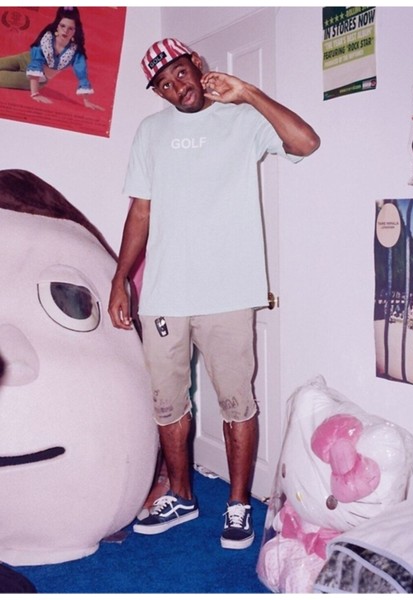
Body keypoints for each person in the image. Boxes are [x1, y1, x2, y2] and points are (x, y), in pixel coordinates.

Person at [108, 37, 320, 550]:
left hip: (228, 292)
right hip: (165, 295)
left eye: (180, 73)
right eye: (163, 84)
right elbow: (141, 210)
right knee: (167, 404)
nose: (175, 87)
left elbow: (306, 142)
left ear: (197, 64)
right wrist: (120, 279)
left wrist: (247, 92)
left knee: (236, 403)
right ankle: (181, 495)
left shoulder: (242, 119)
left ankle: (239, 503)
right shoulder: (150, 132)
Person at [0, 7, 103, 110]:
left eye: (70, 28)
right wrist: (35, 94)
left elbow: (82, 76)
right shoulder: (47, 38)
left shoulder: (75, 52)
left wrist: (86, 101)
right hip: (23, 59)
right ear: (57, 26)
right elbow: (36, 61)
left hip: (38, 79)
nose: (65, 31)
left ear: (75, 31)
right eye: (63, 26)